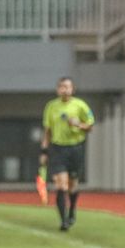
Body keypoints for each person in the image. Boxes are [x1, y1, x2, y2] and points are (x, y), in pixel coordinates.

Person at [40, 77, 95, 231]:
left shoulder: (80, 105)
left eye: (67, 86)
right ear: (58, 89)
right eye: (62, 86)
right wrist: (44, 151)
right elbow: (47, 131)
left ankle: (72, 211)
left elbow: (90, 126)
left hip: (75, 148)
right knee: (61, 184)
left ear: (73, 89)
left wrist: (79, 124)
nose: (64, 89)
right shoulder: (51, 106)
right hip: (58, 149)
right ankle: (63, 220)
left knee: (72, 185)